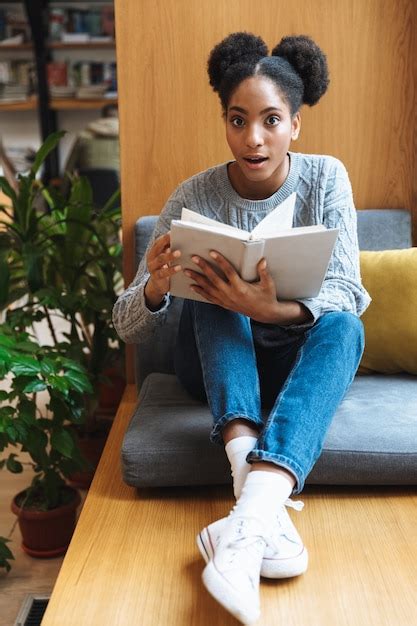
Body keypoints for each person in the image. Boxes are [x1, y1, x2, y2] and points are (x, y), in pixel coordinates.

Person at [113, 32, 371, 625]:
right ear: (225, 121)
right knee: (213, 292)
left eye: (270, 120)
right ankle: (249, 492)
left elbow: (347, 290)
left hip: (292, 362)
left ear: (295, 124)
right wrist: (153, 287)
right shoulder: (194, 195)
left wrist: (271, 310)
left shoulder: (326, 178)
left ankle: (244, 526)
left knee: (346, 326)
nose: (253, 138)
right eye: (238, 119)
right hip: (215, 365)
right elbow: (126, 326)